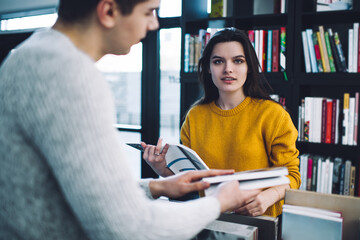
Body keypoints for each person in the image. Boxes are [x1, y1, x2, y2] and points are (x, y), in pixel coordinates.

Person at [0, 1, 261, 240]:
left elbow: (77, 191)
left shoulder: (28, 55)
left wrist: (156, 186)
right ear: (109, 11)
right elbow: (128, 227)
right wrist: (218, 202)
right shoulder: (69, 73)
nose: (154, 24)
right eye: (149, 11)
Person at [142, 28, 301, 217]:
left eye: (238, 61)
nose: (228, 69)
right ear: (208, 68)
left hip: (258, 222)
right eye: (218, 61)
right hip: (207, 220)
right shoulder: (195, 116)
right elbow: (191, 182)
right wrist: (163, 170)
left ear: (249, 66)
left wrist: (267, 197)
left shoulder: (273, 115)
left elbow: (292, 176)